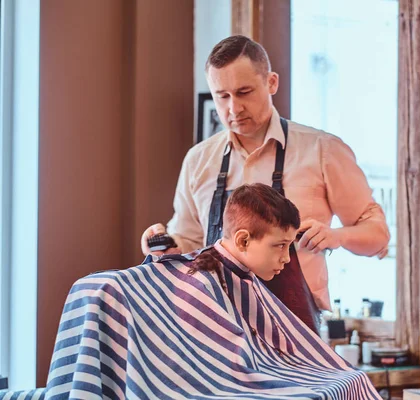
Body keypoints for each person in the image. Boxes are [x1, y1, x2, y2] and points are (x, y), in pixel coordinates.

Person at [0, 184, 381, 399]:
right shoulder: (203, 272)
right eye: (280, 246)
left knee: (350, 381)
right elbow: (220, 366)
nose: (286, 257)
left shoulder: (242, 278)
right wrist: (160, 250)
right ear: (244, 240)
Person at [141, 35, 390, 331]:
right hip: (216, 327)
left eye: (244, 92)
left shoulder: (323, 150)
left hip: (294, 332)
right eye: (222, 96)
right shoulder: (198, 160)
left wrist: (337, 237)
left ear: (271, 83)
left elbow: (378, 236)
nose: (234, 108)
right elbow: (189, 243)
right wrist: (162, 245)